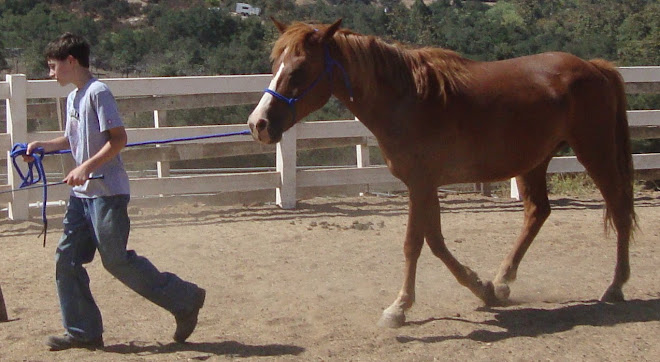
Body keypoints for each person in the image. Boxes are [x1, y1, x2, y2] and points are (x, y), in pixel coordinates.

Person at [24, 33, 206, 351]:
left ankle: (185, 298)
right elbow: (72, 138)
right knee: (65, 260)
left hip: (107, 194)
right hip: (83, 197)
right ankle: (83, 332)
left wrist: (85, 168)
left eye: (53, 67)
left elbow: (118, 139)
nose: (50, 74)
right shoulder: (74, 98)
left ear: (71, 61)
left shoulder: (98, 92)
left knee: (116, 261)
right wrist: (43, 146)